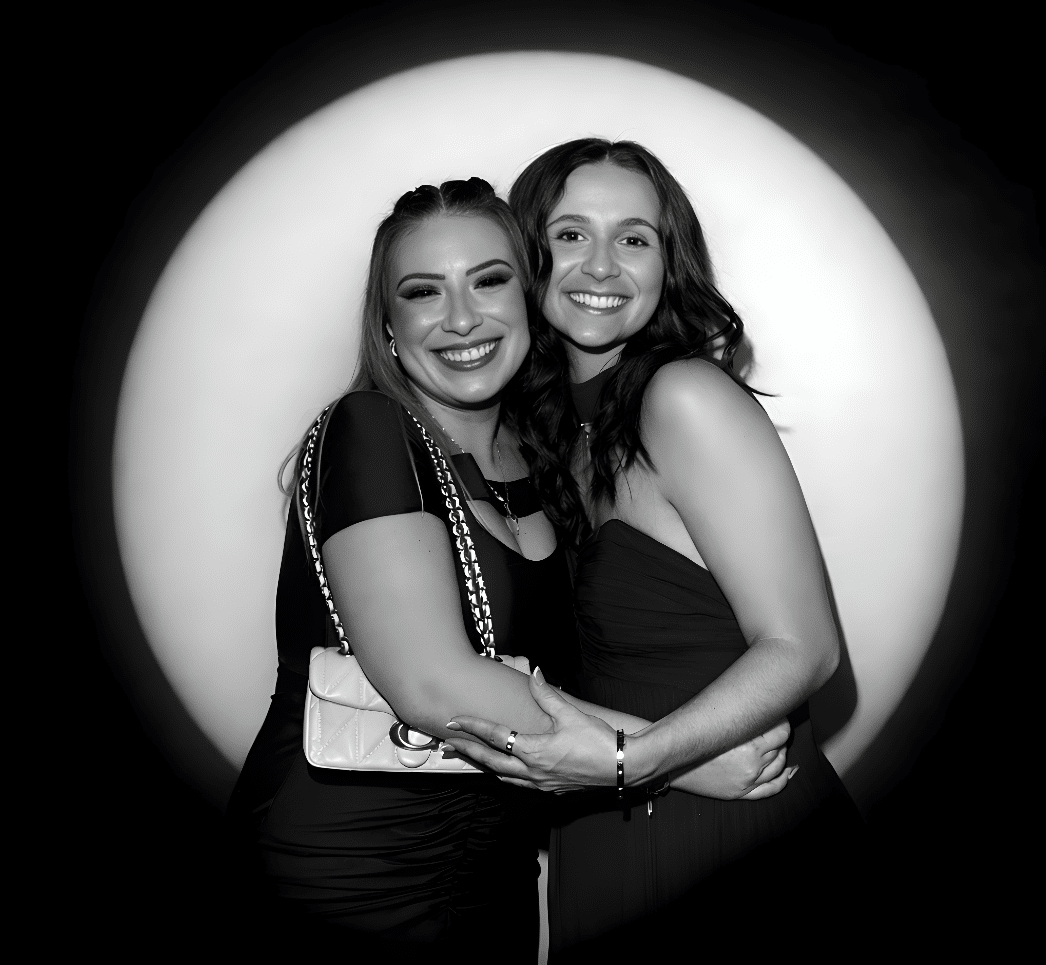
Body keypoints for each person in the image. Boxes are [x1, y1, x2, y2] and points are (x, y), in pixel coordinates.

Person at [227, 176, 791, 952]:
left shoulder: (540, 456)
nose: (462, 318)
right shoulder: (370, 429)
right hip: (347, 863)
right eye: (424, 292)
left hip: (494, 865)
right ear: (388, 327)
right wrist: (676, 758)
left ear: (529, 298)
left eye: (489, 281)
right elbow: (436, 685)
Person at [442, 141, 864, 958]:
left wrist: (639, 762)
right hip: (611, 826)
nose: (601, 264)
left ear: (668, 265)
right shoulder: (551, 435)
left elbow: (805, 647)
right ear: (528, 251)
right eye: (570, 234)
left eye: (634, 238)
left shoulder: (686, 397)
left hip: (734, 820)